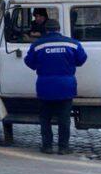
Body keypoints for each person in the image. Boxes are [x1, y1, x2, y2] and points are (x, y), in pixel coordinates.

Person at [24, 18, 87, 155]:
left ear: (45, 30)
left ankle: (47, 146)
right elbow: (81, 59)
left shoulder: (38, 45)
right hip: (66, 87)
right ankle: (63, 147)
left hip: (45, 87)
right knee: (64, 119)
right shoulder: (72, 44)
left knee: (45, 118)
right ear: (58, 29)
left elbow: (29, 62)